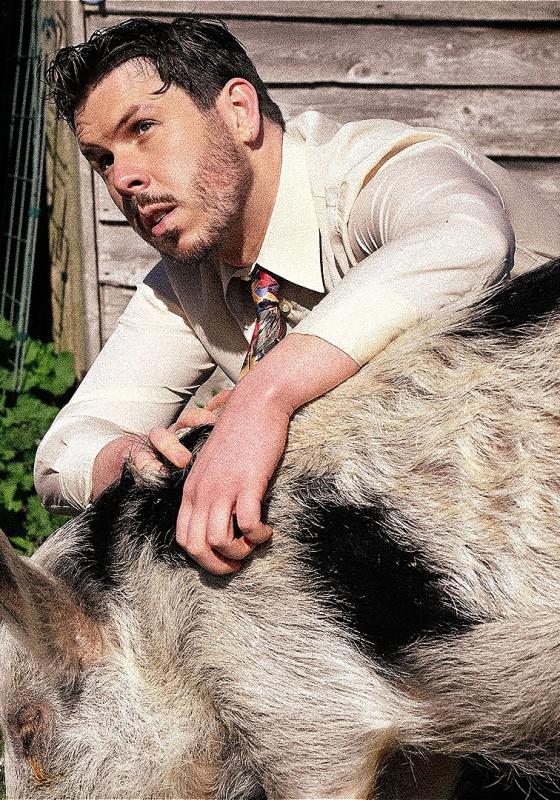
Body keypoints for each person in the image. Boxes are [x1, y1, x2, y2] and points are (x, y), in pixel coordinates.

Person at [36, 15, 560, 576]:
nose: (124, 179)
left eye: (142, 128)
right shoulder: (185, 281)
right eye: (103, 159)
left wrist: (264, 396)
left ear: (238, 111)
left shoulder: (367, 172)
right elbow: (59, 455)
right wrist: (129, 459)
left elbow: (467, 236)